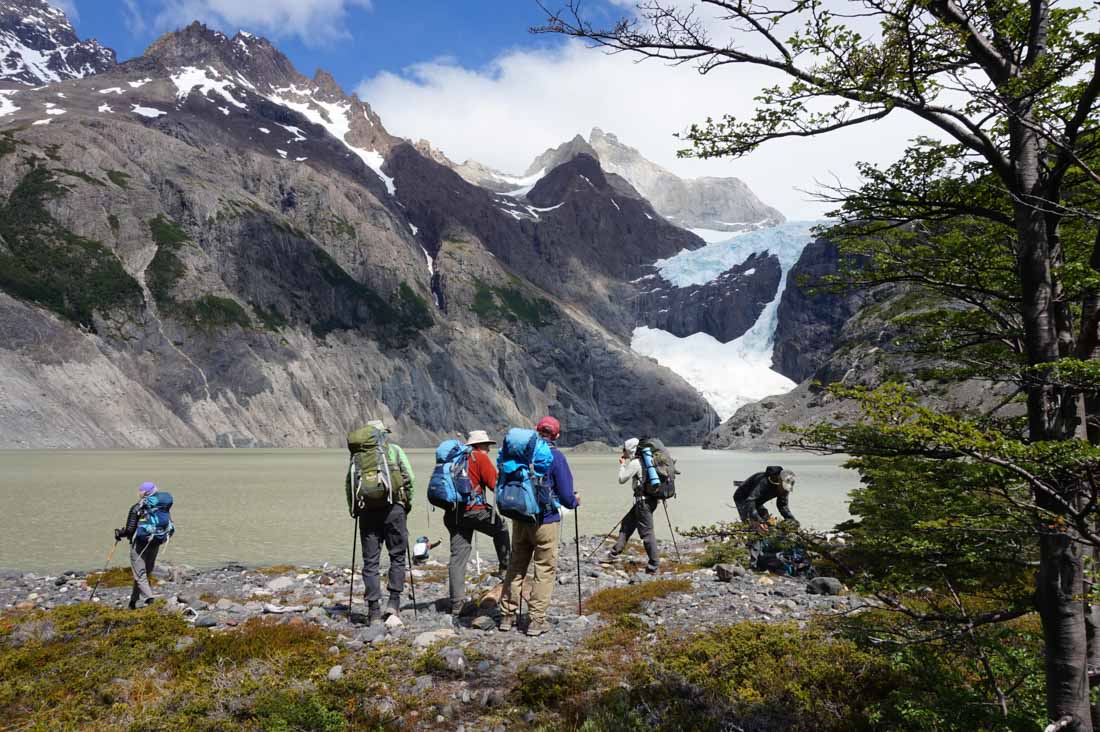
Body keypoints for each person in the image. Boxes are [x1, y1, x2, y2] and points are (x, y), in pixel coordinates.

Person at [498, 416, 579, 637]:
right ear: (557, 435)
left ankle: (507, 616)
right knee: (544, 569)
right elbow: (565, 495)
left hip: (520, 518)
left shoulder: (521, 453)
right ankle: (536, 620)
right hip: (545, 520)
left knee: (516, 566)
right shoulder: (556, 456)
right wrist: (574, 501)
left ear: (536, 431)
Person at [353, 419, 415, 624]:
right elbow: (410, 478)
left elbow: (350, 485)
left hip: (367, 512)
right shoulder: (394, 451)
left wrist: (354, 510)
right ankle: (394, 604)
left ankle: (373, 611)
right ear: (383, 434)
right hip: (394, 509)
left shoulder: (358, 457)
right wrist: (407, 504)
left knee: (370, 561)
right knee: (397, 556)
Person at [444, 429, 511, 617]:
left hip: (453, 514)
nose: (488, 449)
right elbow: (494, 484)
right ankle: (505, 568)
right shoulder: (479, 458)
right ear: (479, 445)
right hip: (474, 511)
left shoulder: (455, 459)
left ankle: (457, 604)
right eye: (487, 446)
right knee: (501, 528)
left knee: (458, 557)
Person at [604, 438, 660, 574]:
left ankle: (654, 564)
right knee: (627, 524)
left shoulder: (635, 463)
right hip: (650, 501)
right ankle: (613, 553)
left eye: (625, 449)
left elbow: (622, 479)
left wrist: (622, 465)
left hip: (643, 503)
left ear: (630, 449)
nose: (623, 452)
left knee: (647, 533)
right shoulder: (649, 460)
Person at [114, 481, 173, 610]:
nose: (138, 492)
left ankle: (150, 600)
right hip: (155, 541)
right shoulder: (162, 505)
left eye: (140, 490)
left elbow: (130, 530)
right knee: (143, 574)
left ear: (145, 492)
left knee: (140, 574)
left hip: (139, 544)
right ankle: (133, 602)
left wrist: (119, 533)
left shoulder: (137, 507)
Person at [734, 466, 798, 528]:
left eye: (786, 489)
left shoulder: (785, 488)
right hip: (743, 497)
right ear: (780, 481)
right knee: (751, 523)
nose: (785, 491)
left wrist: (791, 519)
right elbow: (750, 500)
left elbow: (782, 505)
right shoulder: (764, 482)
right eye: (784, 487)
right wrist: (758, 520)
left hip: (757, 500)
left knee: (766, 520)